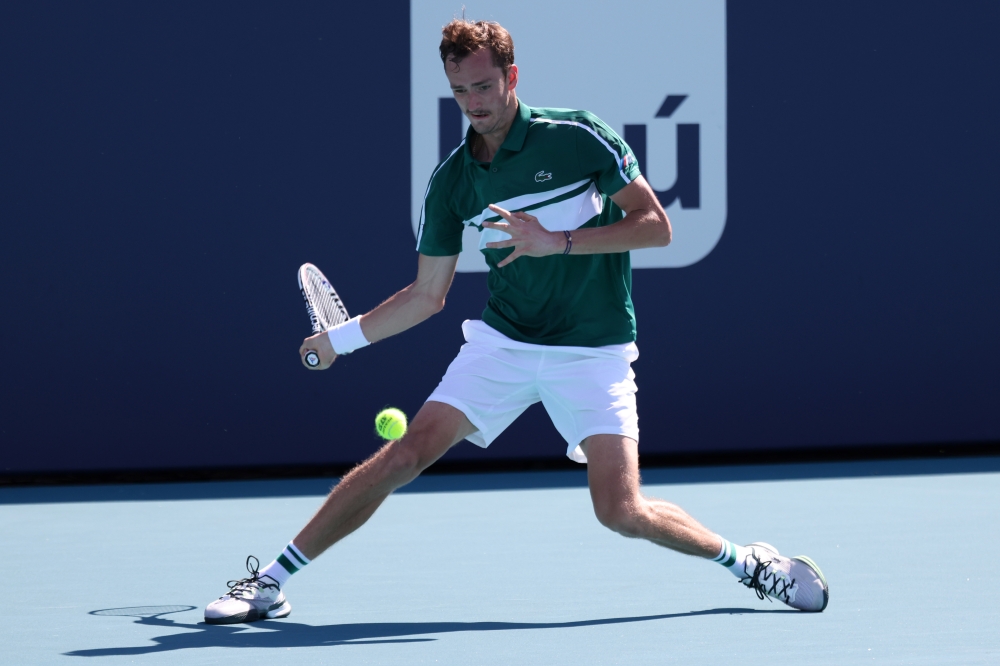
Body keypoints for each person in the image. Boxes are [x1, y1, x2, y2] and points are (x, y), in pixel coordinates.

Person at [205, 18, 828, 625]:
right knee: (406, 453)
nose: (472, 103)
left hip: (594, 349)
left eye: (482, 86)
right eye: (458, 91)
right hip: (505, 342)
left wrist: (553, 240)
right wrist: (339, 342)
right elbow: (427, 296)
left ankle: (749, 563)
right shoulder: (452, 183)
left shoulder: (580, 135)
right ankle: (270, 583)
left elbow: (657, 227)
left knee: (620, 509)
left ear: (511, 76)